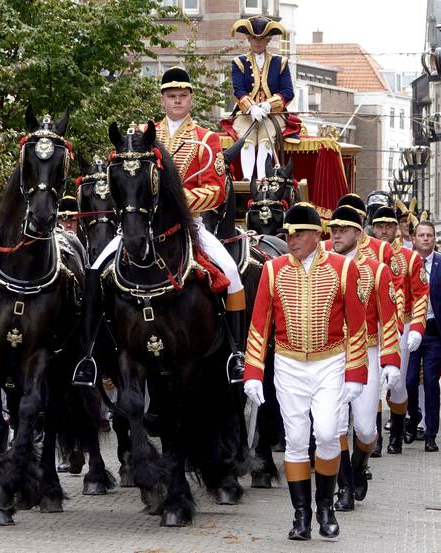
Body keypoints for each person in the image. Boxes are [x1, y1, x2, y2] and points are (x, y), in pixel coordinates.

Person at [243, 203, 367, 540]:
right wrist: (253, 372)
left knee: (327, 434)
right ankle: (301, 516)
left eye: (298, 233)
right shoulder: (273, 269)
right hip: (288, 364)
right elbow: (258, 326)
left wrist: (356, 374)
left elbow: (356, 326)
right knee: (296, 441)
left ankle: (325, 506)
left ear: (316, 235)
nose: (291, 239)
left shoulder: (344, 268)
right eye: (288, 233)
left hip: (330, 363)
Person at [153, 66, 246, 382]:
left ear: (190, 98)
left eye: (182, 95)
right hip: (146, 226)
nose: (177, 101)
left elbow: (217, 191)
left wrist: (175, 203)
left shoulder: (208, 140)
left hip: (191, 225)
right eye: (171, 96)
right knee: (98, 267)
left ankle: (236, 352)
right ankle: (92, 351)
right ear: (162, 100)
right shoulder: (143, 135)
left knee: (232, 274)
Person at [326, 206, 400, 511]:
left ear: (359, 233)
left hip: (366, 352)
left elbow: (389, 316)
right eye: (333, 229)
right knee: (336, 424)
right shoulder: (321, 266)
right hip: (330, 355)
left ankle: (359, 465)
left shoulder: (376, 269)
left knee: (367, 429)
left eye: (344, 229)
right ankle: (344, 486)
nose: (337, 235)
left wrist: (391, 359)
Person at [371, 206, 428, 454]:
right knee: (371, 383)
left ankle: (395, 433)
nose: (384, 231)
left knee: (398, 383)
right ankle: (374, 441)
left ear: (397, 228)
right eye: (379, 226)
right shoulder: (364, 256)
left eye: (389, 226)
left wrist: (416, 327)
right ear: (372, 228)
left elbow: (420, 295)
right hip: (370, 326)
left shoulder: (410, 257)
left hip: (399, 326)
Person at [230, 15, 298, 183]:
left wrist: (269, 105)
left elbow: (288, 92)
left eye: (262, 39)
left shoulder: (280, 62)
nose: (257, 42)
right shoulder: (239, 62)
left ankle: (262, 178)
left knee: (266, 139)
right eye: (254, 38)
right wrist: (252, 107)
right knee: (247, 138)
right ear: (248, 38)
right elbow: (239, 90)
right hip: (247, 113)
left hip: (273, 114)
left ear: (268, 40)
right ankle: (246, 178)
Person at [405, 221, 441, 453]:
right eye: (421, 235)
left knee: (430, 382)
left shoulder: (440, 263)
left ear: (434, 238)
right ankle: (414, 416)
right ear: (414, 238)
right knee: (407, 381)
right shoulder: (406, 263)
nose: (425, 239)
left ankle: (430, 434)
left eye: (429, 235)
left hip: (434, 332)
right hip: (410, 331)